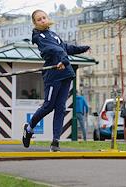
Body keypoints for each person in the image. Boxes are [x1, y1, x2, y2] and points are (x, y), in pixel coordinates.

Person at [22, 9, 90, 151]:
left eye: (44, 17)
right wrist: (64, 59)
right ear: (35, 23)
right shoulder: (39, 36)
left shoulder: (53, 34)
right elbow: (55, 50)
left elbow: (64, 48)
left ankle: (55, 142)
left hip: (65, 73)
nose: (42, 20)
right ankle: (29, 128)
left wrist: (83, 49)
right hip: (53, 75)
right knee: (49, 106)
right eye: (39, 19)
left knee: (60, 108)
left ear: (48, 18)